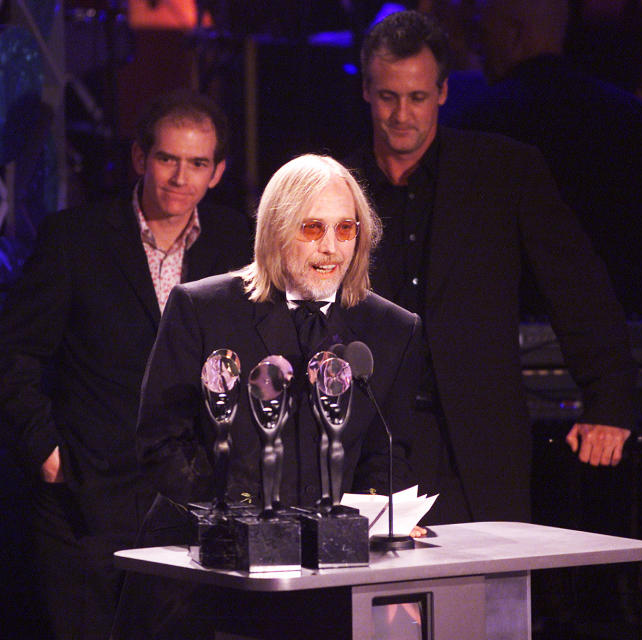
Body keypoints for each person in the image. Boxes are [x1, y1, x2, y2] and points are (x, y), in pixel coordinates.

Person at [345, 10, 637, 524]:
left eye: (417, 97)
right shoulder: (335, 183)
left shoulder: (504, 172)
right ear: (367, 91)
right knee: (374, 603)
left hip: (479, 442)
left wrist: (607, 402)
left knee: (487, 599)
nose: (402, 114)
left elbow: (578, 290)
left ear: (443, 93)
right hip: (365, 441)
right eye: (388, 96)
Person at [122, 153, 426, 638]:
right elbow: (162, 443)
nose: (331, 248)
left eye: (345, 229)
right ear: (276, 231)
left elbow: (388, 453)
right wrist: (246, 522)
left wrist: (369, 517)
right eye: (312, 229)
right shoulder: (202, 308)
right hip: (207, 574)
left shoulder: (392, 329)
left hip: (330, 585)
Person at [0, 90, 252, 639]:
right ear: (140, 159)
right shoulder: (75, 238)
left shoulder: (237, 243)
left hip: (195, 507)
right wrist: (47, 453)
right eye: (167, 159)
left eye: (197, 163)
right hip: (85, 507)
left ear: (218, 172)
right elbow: (14, 355)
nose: (180, 178)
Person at [442, 0, 642, 317]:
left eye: (480, 34)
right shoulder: (641, 123)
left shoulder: (474, 126)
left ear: (515, 34)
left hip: (511, 349)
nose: (475, 48)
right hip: (631, 350)